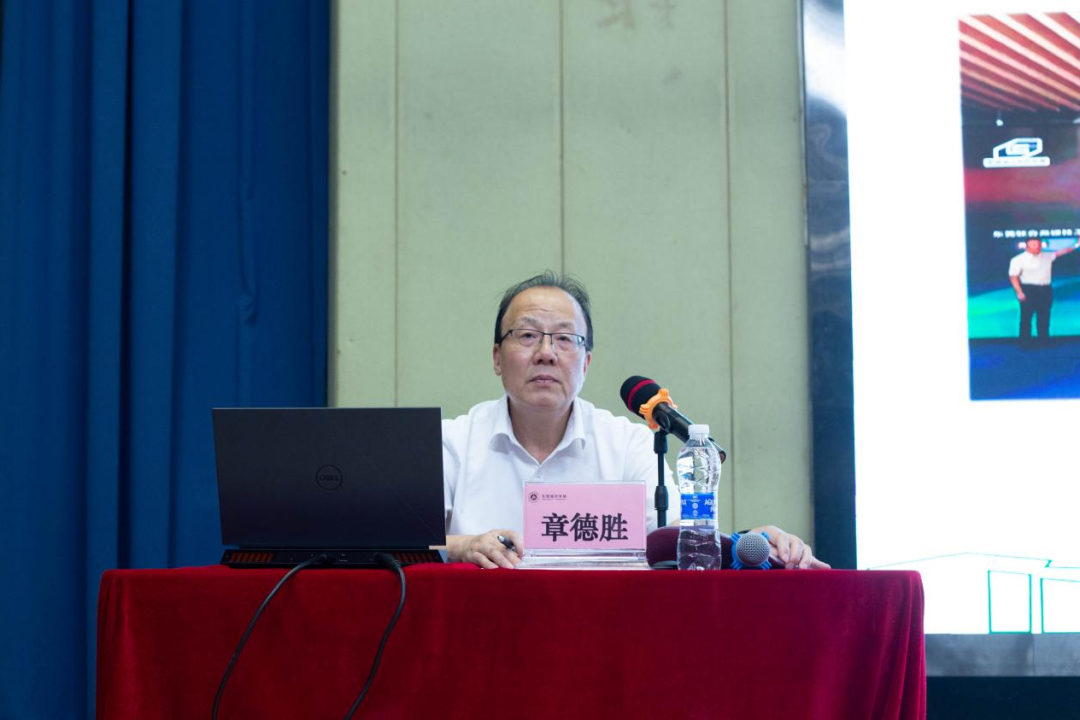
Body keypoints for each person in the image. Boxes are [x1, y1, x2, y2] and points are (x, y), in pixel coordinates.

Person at [441, 271, 829, 570]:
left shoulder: (629, 444)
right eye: (527, 335)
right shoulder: (452, 442)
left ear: (586, 363)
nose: (546, 353)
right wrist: (464, 545)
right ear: (497, 357)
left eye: (564, 339)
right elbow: (407, 547)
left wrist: (747, 545)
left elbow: (675, 542)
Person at [1009, 237, 1079, 343]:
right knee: (1026, 318)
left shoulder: (1047, 256)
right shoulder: (1018, 260)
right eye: (1033, 244)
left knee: (1044, 316)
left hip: (1045, 290)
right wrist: (1019, 292)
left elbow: (1063, 251)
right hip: (1029, 289)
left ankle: (1043, 340)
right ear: (1027, 246)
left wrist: (1077, 244)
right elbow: (1013, 277)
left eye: (1038, 244)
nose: (1037, 246)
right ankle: (1025, 342)